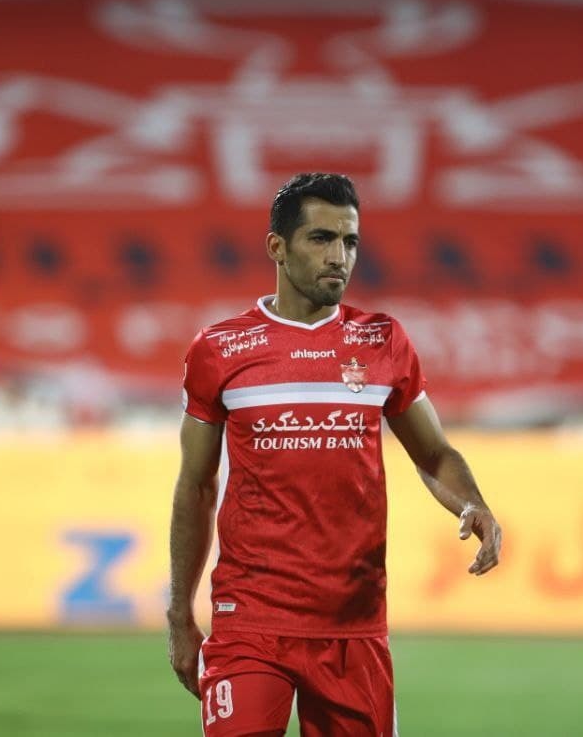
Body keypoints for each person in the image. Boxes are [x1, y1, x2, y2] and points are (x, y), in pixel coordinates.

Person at [167, 173, 503, 736]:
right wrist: (179, 612)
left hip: (353, 624)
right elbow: (196, 487)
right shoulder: (220, 350)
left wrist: (473, 504)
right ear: (278, 247)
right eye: (321, 238)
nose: (338, 257)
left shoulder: (383, 341)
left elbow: (433, 453)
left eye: (350, 242)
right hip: (250, 621)